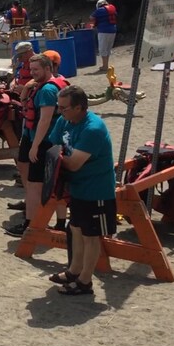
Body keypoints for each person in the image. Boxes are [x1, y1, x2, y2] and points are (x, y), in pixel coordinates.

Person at [46, 85, 117, 295]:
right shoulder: (65, 120)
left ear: (79, 107)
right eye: (59, 107)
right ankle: (74, 270)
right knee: (75, 229)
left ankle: (85, 281)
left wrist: (58, 160)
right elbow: (53, 147)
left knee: (90, 236)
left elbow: (74, 163)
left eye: (64, 108)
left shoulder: (92, 128)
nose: (60, 112)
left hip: (96, 189)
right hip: (77, 187)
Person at [4, 53, 68, 237]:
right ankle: (59, 223)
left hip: (43, 141)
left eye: (36, 70)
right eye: (31, 70)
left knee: (34, 185)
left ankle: (30, 225)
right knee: (53, 182)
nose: (32, 73)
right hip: (37, 138)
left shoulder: (48, 90)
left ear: (48, 68)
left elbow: (45, 120)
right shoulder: (46, 85)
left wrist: (35, 145)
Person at [91, 0, 118, 71]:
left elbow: (91, 17)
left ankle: (105, 66)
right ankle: (106, 65)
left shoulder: (99, 10)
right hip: (113, 30)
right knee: (108, 49)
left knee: (102, 49)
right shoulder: (112, 8)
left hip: (103, 31)